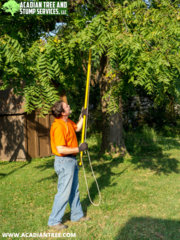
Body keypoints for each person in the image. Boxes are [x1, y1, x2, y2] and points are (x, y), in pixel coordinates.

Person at [48, 100, 90, 231]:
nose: (69, 106)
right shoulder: (58, 126)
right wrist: (79, 149)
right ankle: (54, 221)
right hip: (64, 161)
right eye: (67, 106)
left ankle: (77, 215)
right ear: (62, 112)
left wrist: (83, 117)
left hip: (71, 160)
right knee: (64, 193)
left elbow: (77, 128)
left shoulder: (67, 122)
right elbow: (60, 149)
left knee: (74, 190)